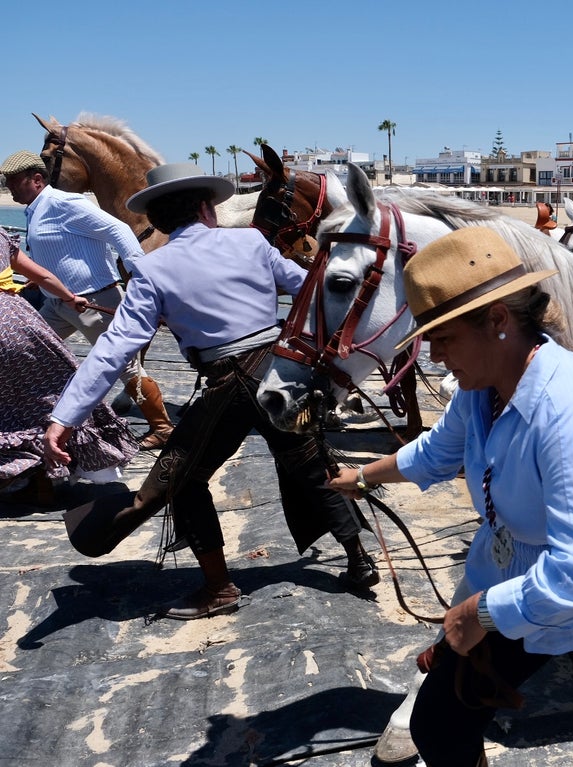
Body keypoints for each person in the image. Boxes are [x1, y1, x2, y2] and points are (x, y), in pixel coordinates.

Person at [327, 227, 573, 767]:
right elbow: (436, 453)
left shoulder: (570, 405)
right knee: (440, 722)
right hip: (526, 577)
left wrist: (482, 611)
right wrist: (361, 476)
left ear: (498, 322)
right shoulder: (483, 389)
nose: (435, 356)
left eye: (443, 338)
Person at [42, 163, 379, 620]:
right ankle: (359, 560)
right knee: (310, 462)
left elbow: (113, 350)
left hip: (226, 384)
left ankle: (219, 588)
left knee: (182, 478)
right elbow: (309, 291)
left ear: (158, 221)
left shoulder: (152, 269)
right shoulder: (252, 241)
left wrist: (65, 417)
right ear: (206, 208)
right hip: (279, 374)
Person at [0, 150, 173, 449]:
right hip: (57, 303)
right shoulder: (36, 208)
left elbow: (118, 230)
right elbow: (60, 248)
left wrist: (140, 276)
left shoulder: (65, 202)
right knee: (25, 352)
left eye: (15, 182)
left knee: (124, 366)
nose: (10, 188)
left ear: (37, 179)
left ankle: (163, 428)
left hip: (91, 301)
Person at [1, 228, 137, 504]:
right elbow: (44, 276)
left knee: (9, 407)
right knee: (45, 396)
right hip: (18, 325)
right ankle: (43, 481)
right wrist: (69, 297)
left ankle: (22, 474)